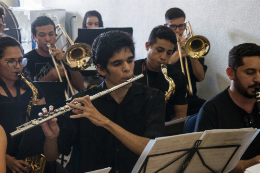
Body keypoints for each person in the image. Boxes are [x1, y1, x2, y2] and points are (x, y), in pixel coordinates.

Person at [42, 30, 166, 173]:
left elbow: (152, 149)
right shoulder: (82, 103)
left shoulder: (152, 97)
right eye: (117, 63)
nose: (127, 68)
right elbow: (51, 157)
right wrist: (51, 137)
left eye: (130, 61)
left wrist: (104, 121)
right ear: (101, 69)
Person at [195, 43, 260, 173]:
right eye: (250, 72)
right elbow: (202, 164)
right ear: (231, 73)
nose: (258, 79)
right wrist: (249, 163)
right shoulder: (212, 110)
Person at [0, 36, 46, 172]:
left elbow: (43, 126)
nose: (18, 66)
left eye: (20, 61)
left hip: (29, 157)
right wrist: (5, 158)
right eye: (10, 61)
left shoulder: (33, 89)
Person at [24, 16, 84, 103]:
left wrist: (68, 63)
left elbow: (80, 87)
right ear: (34, 38)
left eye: (51, 34)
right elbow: (27, 93)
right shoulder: (27, 59)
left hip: (63, 108)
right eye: (42, 35)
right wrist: (50, 77)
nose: (48, 39)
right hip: (39, 110)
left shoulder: (64, 56)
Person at [134, 25, 187, 121]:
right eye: (159, 50)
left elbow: (180, 115)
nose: (164, 57)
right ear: (147, 46)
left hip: (163, 130)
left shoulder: (177, 76)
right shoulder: (131, 70)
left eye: (169, 53)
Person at [164, 7, 207, 115]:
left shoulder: (194, 47)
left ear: (185, 26)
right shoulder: (162, 47)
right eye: (173, 26)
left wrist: (190, 54)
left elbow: (200, 77)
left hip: (190, 98)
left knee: (208, 108)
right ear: (166, 26)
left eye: (181, 26)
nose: (178, 30)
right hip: (169, 100)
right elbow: (156, 72)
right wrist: (173, 58)